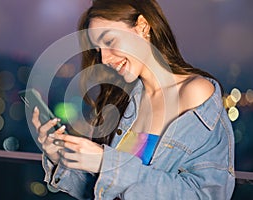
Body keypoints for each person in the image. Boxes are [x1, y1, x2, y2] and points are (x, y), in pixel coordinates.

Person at [32, 0, 235, 199]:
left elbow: (205, 194)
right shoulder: (126, 100)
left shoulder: (194, 92)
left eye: (110, 42)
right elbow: (103, 189)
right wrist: (58, 156)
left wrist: (106, 163)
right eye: (98, 49)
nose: (104, 59)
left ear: (143, 26)